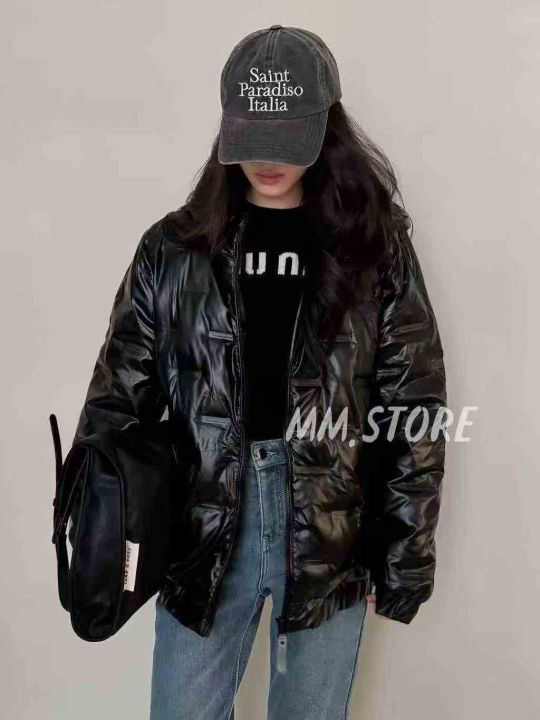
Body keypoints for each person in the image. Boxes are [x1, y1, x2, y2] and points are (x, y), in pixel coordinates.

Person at [72, 25, 446, 720]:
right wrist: (99, 534)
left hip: (331, 529)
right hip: (202, 519)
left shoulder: (373, 245)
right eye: (254, 137)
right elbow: (116, 401)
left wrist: (404, 554)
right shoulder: (172, 249)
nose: (269, 159)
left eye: (288, 138)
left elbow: (414, 402)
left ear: (326, 127)